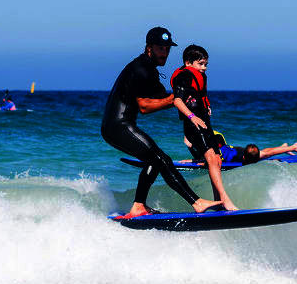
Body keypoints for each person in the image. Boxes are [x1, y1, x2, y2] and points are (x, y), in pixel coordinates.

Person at [101, 27, 223, 218]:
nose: (165, 53)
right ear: (149, 48)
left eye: (167, 48)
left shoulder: (151, 70)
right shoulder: (141, 69)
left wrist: (187, 102)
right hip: (117, 126)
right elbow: (145, 106)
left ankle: (138, 206)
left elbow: (165, 97)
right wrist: (174, 100)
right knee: (162, 159)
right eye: (160, 48)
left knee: (156, 160)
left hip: (122, 125)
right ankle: (197, 202)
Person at [171, 44, 238, 210]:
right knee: (210, 159)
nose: (204, 67)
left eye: (206, 64)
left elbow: (201, 95)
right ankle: (225, 200)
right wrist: (192, 117)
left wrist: (206, 106)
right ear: (188, 63)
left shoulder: (202, 76)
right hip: (193, 123)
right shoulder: (184, 76)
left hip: (205, 122)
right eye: (200, 64)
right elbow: (177, 101)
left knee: (217, 160)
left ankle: (217, 201)